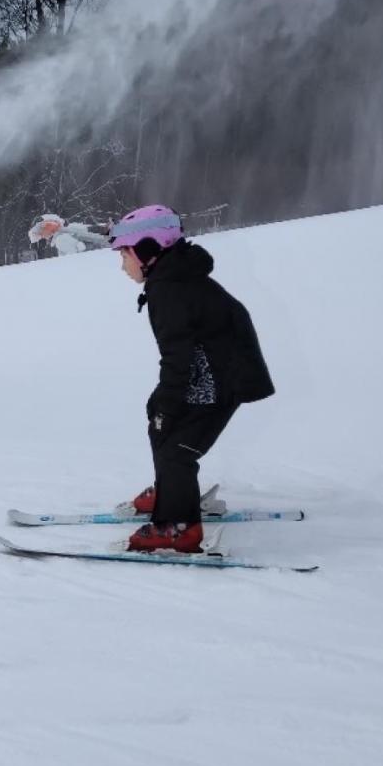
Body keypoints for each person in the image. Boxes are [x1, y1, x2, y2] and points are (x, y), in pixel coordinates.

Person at [108, 205, 274, 553]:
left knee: (175, 451)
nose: (122, 266)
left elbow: (177, 357)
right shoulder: (171, 279)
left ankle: (178, 528)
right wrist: (163, 404)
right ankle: (170, 493)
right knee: (160, 425)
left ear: (147, 250)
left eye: (124, 255)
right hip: (210, 372)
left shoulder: (170, 290)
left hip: (223, 379)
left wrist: (167, 402)